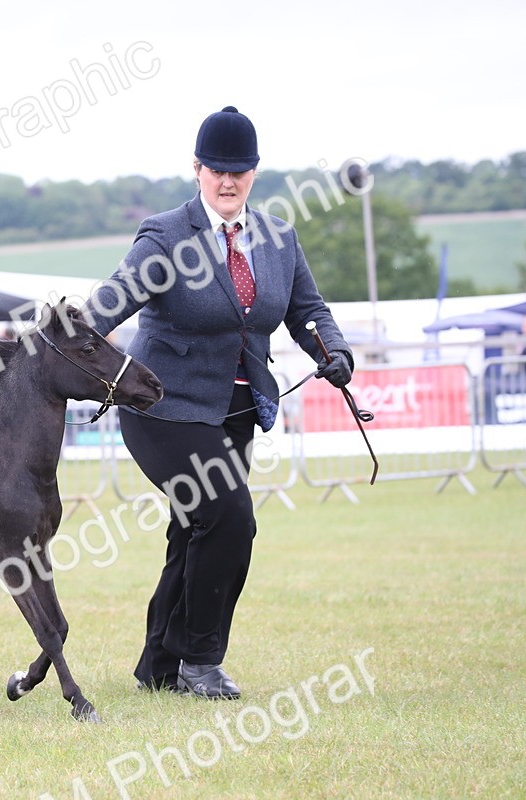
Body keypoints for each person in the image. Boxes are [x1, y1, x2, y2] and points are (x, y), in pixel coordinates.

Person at [82, 106, 354, 700]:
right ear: (197, 170)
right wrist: (59, 337)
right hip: (163, 408)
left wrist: (333, 352)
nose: (227, 182)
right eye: (216, 170)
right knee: (230, 520)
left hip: (233, 412)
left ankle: (159, 666)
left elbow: (309, 310)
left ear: (254, 173)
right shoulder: (166, 235)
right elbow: (109, 306)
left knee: (194, 530)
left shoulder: (279, 238)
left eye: (240, 171)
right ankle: (200, 661)